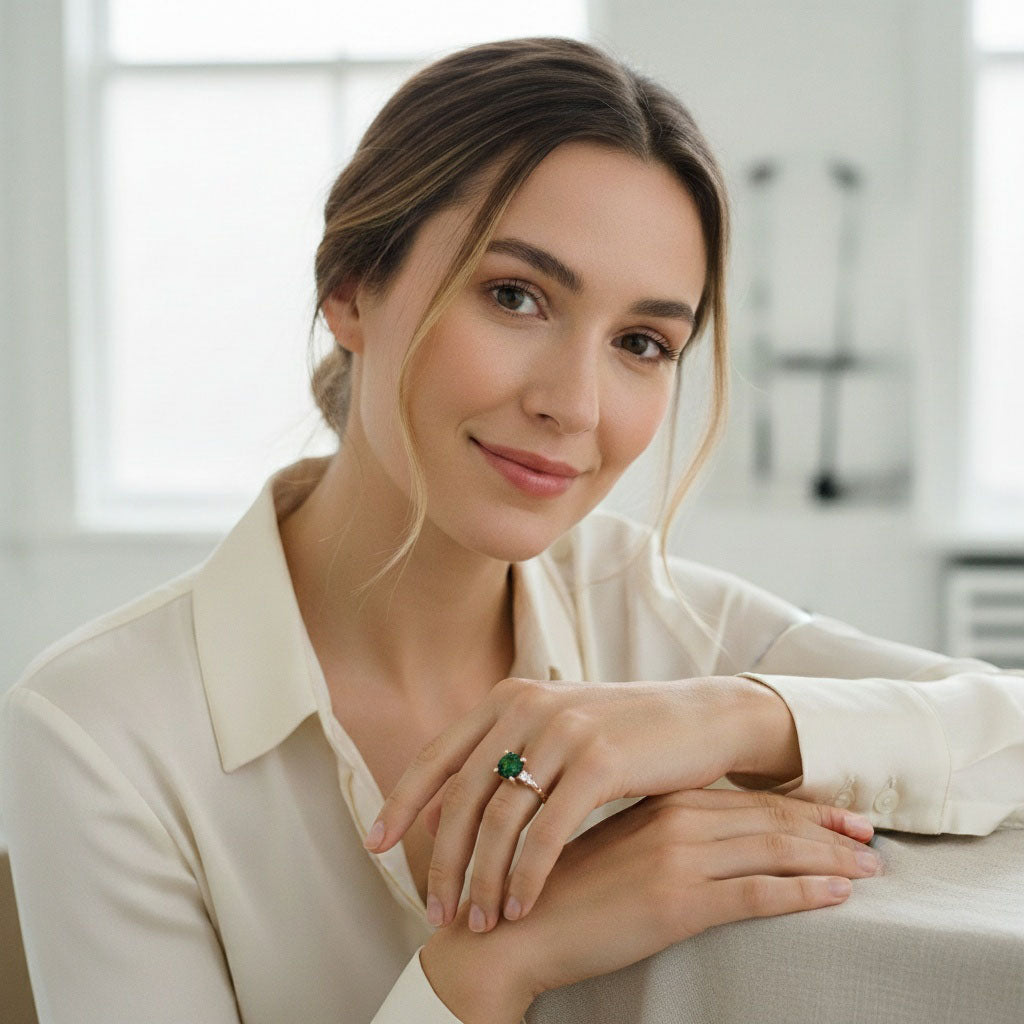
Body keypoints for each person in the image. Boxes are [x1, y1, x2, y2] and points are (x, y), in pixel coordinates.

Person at [2, 35, 1022, 1024]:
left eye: (641, 342)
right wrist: (490, 969)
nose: (575, 405)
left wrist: (728, 719)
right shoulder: (101, 729)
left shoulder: (662, 623)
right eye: (515, 295)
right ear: (350, 289)